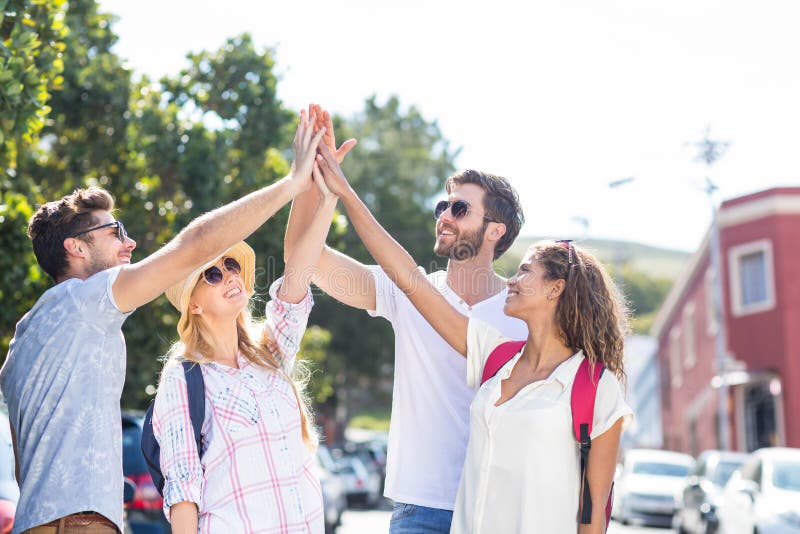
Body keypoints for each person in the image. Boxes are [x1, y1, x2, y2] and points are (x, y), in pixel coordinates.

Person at [0, 110, 325, 534]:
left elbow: (25, 469)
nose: (129, 242)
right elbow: (197, 245)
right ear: (76, 248)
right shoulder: (86, 301)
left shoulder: (25, 338)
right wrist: (292, 183)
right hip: (79, 525)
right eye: (115, 231)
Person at [313, 145, 634, 533]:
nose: (513, 280)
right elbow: (405, 275)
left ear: (556, 290)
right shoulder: (494, 352)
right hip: (445, 513)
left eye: (526, 272)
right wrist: (335, 191)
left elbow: (595, 505)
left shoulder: (584, 378)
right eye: (442, 207)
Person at [284, 105, 528, 533]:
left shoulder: (524, 312)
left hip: (498, 510)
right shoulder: (403, 291)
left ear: (496, 230)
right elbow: (302, 259)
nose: (444, 216)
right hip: (420, 509)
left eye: (460, 208)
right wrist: (312, 181)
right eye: (442, 206)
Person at [150, 157, 336, 532]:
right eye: (213, 274)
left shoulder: (271, 352)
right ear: (194, 304)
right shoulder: (183, 377)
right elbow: (183, 489)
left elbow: (298, 275)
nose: (229, 276)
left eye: (232, 265)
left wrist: (328, 196)